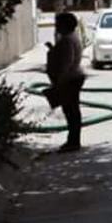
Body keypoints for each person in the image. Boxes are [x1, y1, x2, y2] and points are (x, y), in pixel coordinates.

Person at [45, 12, 86, 153]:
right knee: (71, 110)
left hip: (70, 79)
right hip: (73, 77)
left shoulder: (68, 39)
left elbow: (67, 62)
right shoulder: (71, 37)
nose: (56, 27)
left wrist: (59, 82)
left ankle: (73, 142)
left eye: (58, 24)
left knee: (71, 111)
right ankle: (73, 140)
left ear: (64, 25)